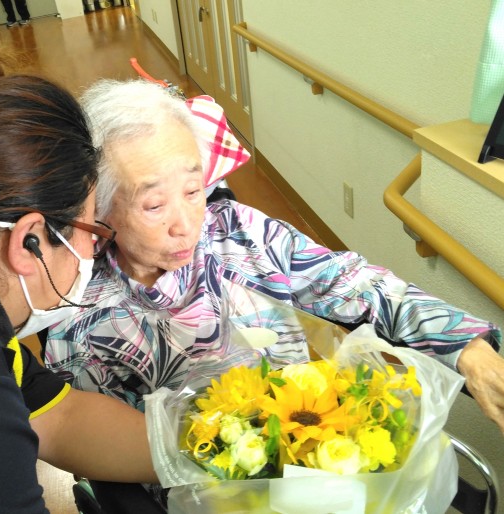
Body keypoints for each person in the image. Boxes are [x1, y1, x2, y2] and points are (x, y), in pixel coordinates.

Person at [44, 79, 504, 437]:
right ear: (101, 208)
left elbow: (353, 282)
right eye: (154, 205)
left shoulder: (241, 234)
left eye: (193, 190)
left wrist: (466, 346)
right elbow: (104, 442)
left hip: (313, 438)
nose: (186, 224)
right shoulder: (81, 316)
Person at [0, 24, 156, 512]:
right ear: (30, 241)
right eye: (90, 230)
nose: (93, 251)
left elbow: (57, 417)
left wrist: (208, 449)